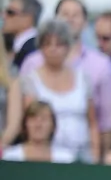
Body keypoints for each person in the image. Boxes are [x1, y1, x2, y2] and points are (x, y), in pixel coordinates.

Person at [4, 20, 101, 161]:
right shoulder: (29, 80)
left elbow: (92, 123)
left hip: (81, 155)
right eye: (47, 44)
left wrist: (95, 157)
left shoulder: (83, 79)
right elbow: (30, 120)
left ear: (68, 47)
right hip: (47, 157)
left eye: (59, 44)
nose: (53, 49)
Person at [2, 101, 76, 164]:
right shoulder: (10, 157)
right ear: (25, 124)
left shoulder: (65, 159)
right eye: (33, 119)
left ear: (53, 126)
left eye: (44, 119)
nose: (38, 125)